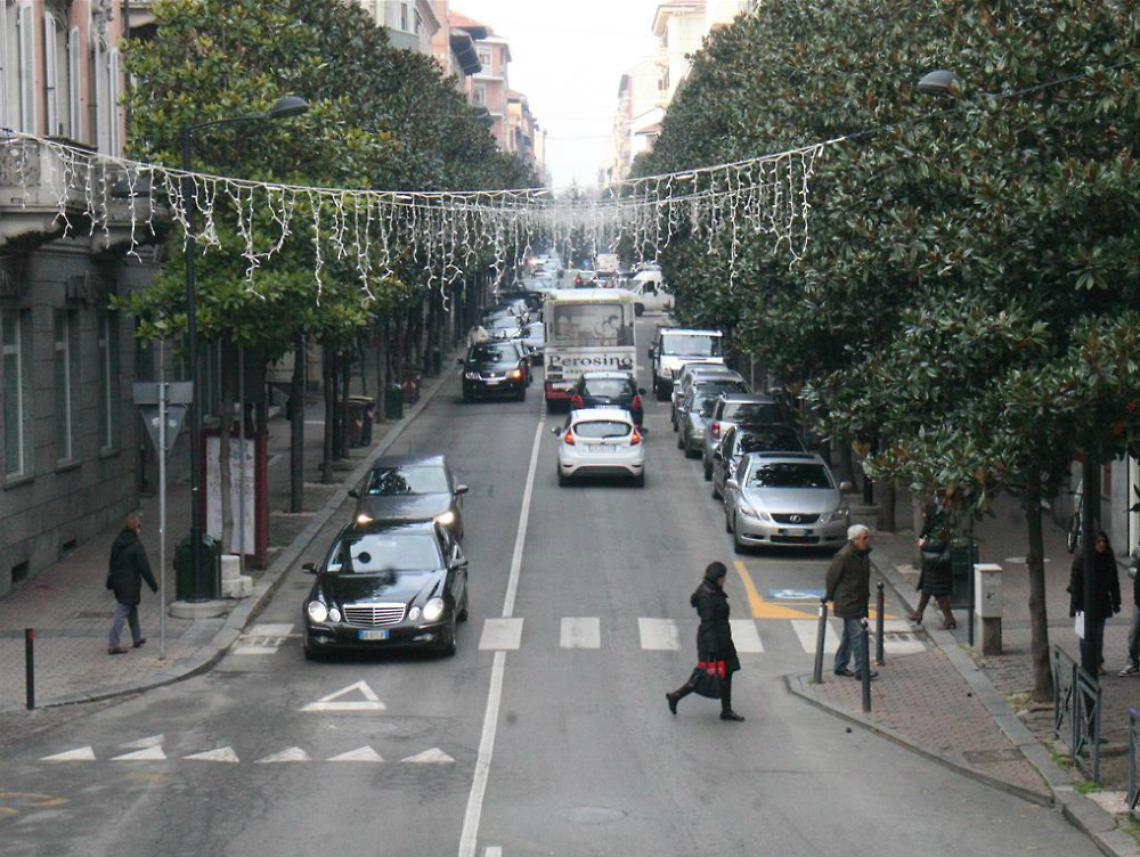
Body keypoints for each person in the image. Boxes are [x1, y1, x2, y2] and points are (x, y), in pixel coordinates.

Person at [666, 562, 744, 721]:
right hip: (713, 642)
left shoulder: (713, 590)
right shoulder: (707, 595)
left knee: (727, 671)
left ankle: (726, 710)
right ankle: (676, 696)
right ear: (717, 578)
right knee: (703, 675)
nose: (724, 580)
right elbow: (708, 624)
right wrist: (712, 650)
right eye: (723, 577)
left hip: (723, 639)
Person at [824, 524, 877, 680]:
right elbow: (832, 577)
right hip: (849, 602)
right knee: (859, 636)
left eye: (868, 537)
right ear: (854, 540)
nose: (867, 541)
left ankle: (840, 665)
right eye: (864, 538)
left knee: (849, 636)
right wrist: (830, 596)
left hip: (858, 601)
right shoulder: (844, 556)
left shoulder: (863, 554)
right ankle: (861, 670)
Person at [1068, 529, 1121, 677]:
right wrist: (1077, 606)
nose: (1102, 544)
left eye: (1104, 541)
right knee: (1086, 635)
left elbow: (1114, 581)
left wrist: (1116, 601)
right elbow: (1075, 582)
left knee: (1098, 635)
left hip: (1101, 602)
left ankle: (1097, 662)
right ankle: (1087, 663)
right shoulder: (1083, 558)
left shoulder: (1108, 558)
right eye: (1098, 542)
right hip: (1084, 603)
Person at [106, 512, 158, 655]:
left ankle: (137, 637)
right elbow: (144, 568)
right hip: (130, 583)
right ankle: (113, 644)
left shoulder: (118, 541)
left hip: (119, 582)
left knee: (131, 608)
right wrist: (154, 585)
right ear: (137, 527)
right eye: (139, 525)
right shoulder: (136, 545)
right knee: (122, 611)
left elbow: (112, 562)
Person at [909, 498, 957, 629]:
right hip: (932, 564)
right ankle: (919, 613)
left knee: (939, 593)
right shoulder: (933, 525)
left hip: (938, 565)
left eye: (925, 512)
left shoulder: (942, 527)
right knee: (927, 589)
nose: (924, 515)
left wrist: (924, 544)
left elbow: (938, 544)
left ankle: (949, 618)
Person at [1119, 546, 1140, 676]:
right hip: (1139, 602)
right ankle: (1133, 662)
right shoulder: (1138, 551)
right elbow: (1131, 570)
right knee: (1133, 633)